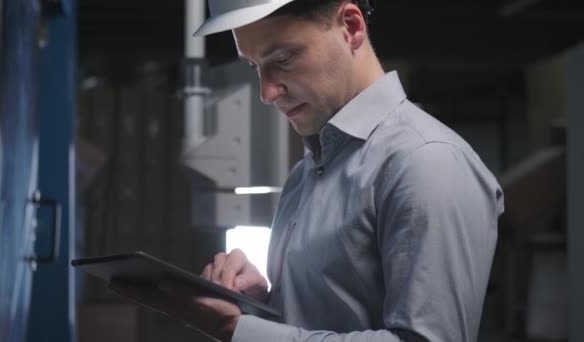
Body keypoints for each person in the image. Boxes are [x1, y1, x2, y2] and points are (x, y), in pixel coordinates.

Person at [110, 0, 504, 341]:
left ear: (350, 27)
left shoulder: (426, 162)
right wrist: (258, 304)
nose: (266, 93)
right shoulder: (306, 175)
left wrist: (236, 331)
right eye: (254, 67)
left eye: (283, 59)